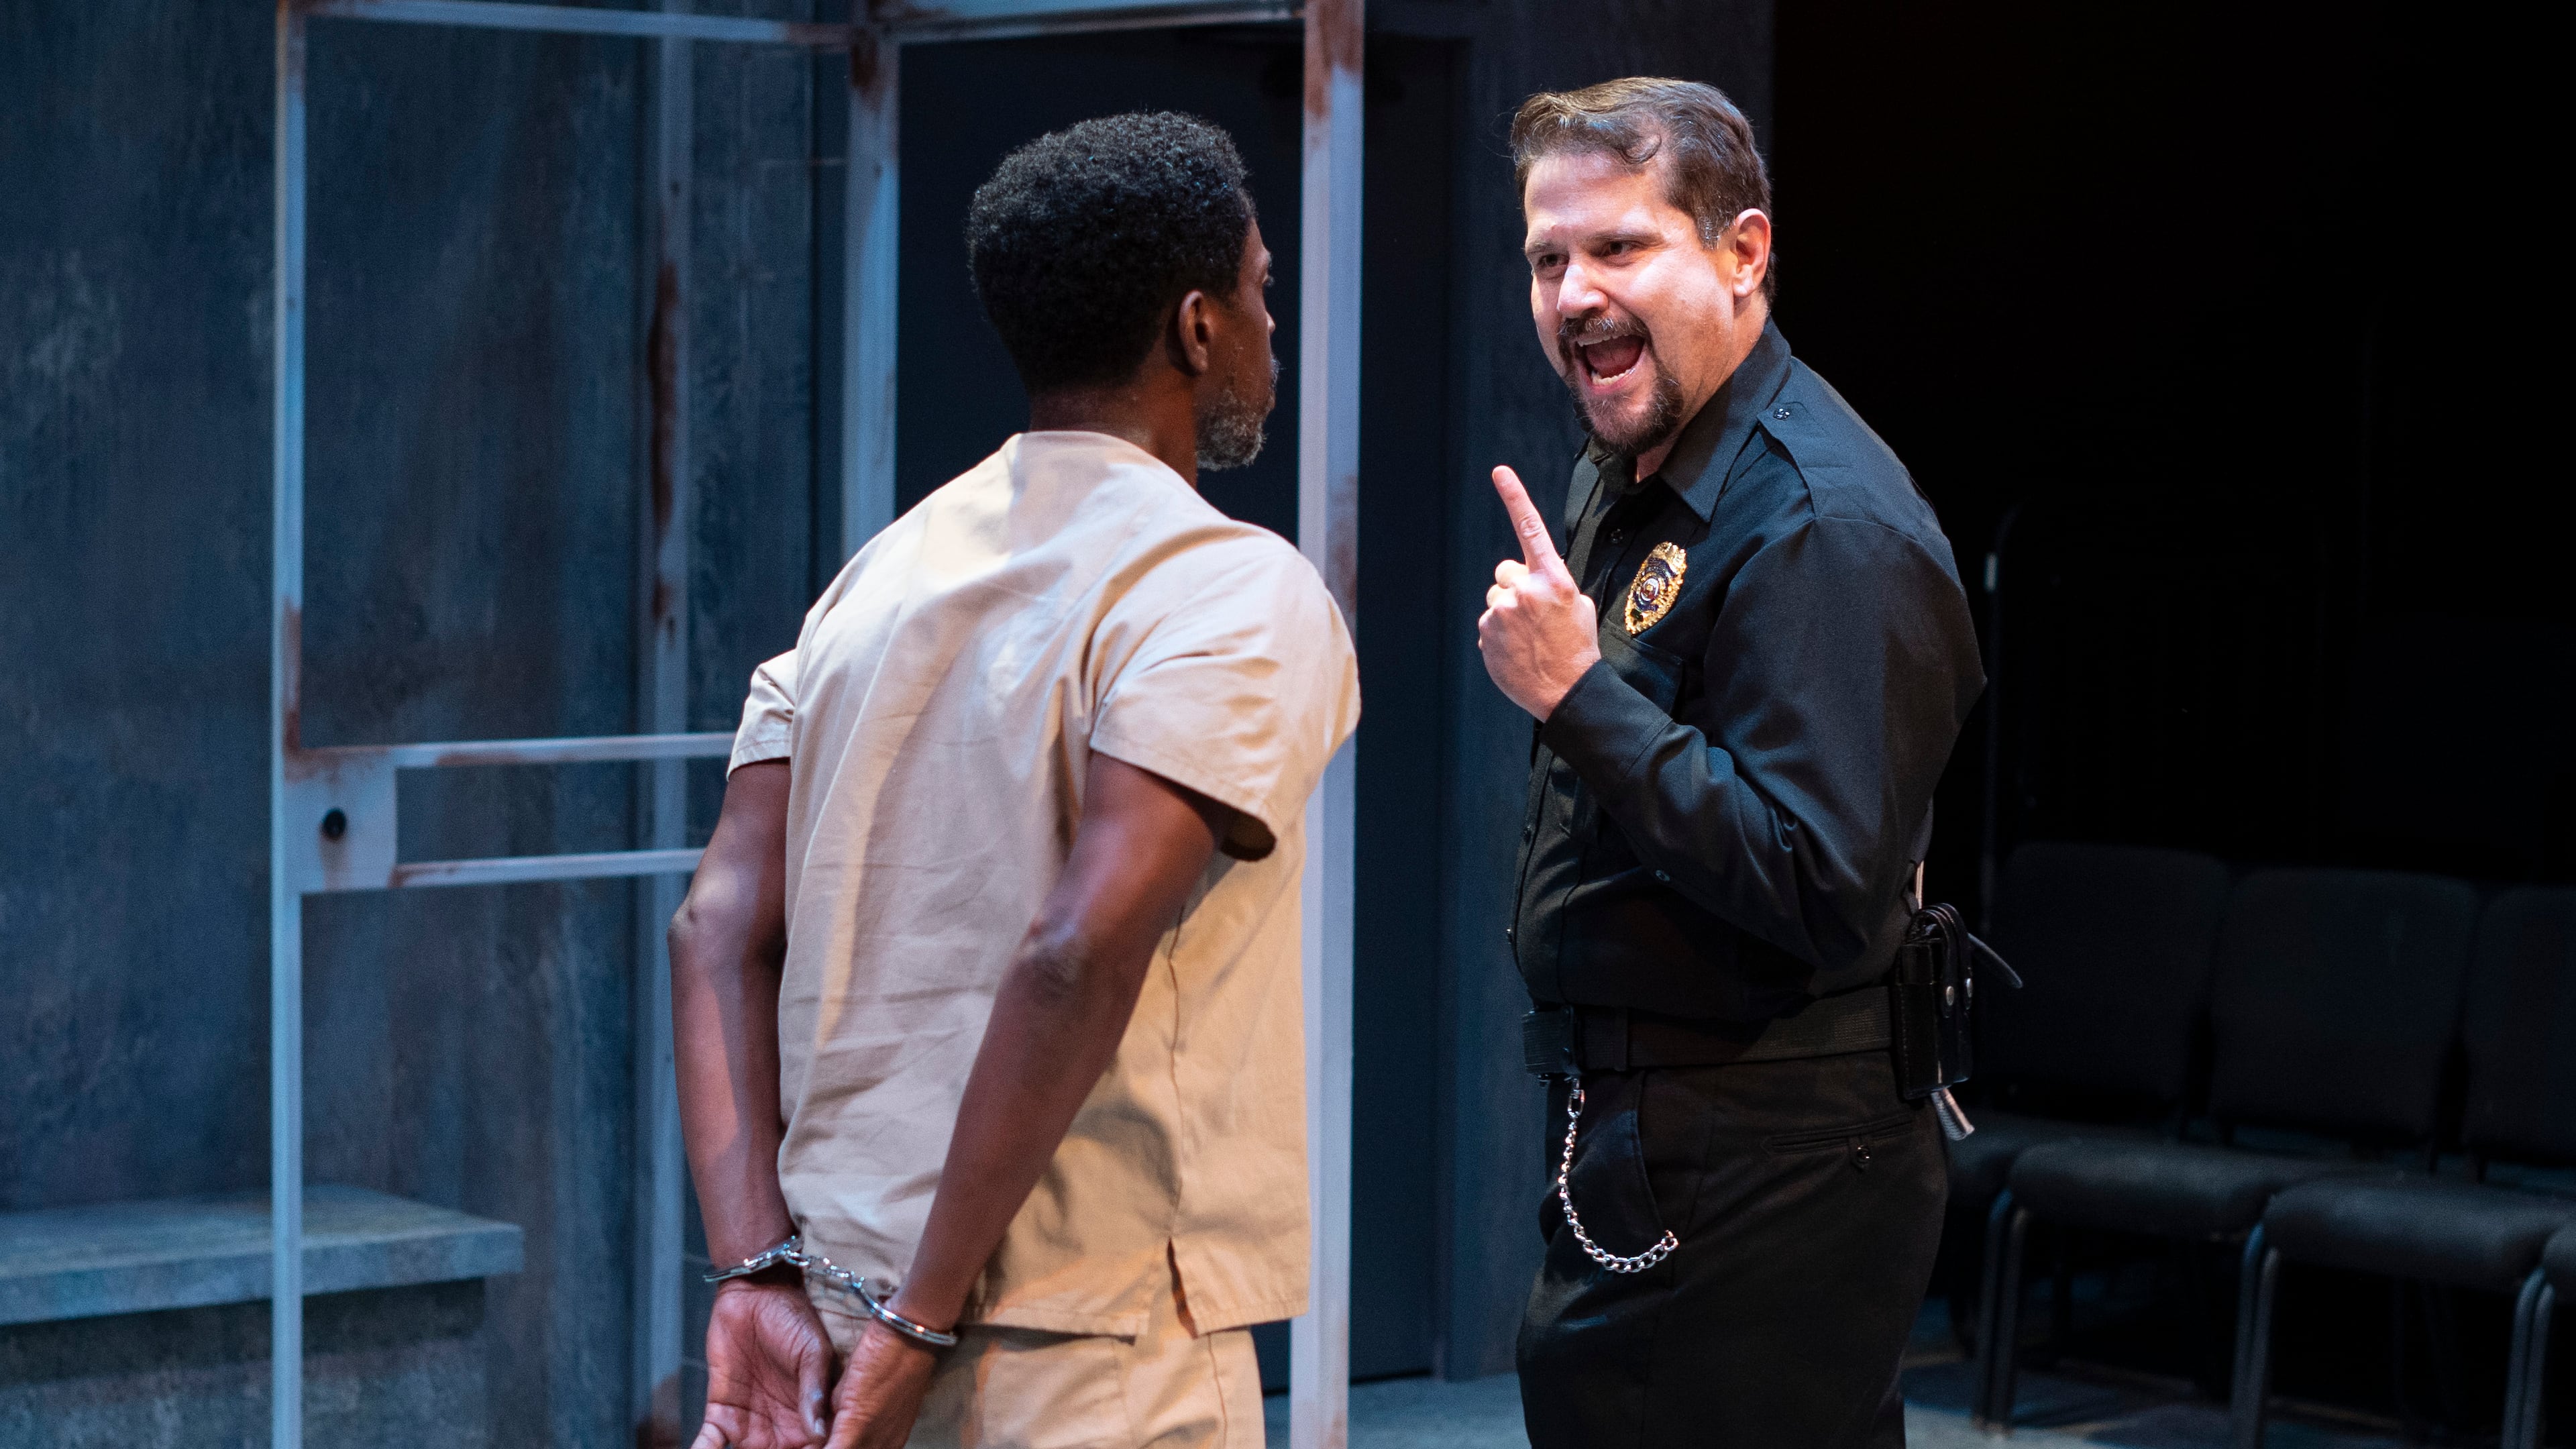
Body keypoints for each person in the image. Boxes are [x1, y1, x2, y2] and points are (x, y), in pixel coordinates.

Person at [668, 112, 1358, 1449]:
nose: (1275, 327)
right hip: (1086, 1352)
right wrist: (928, 1325)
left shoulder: (870, 585)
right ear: (1197, 326)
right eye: (1264, 291)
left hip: (831, 1326)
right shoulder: (1221, 583)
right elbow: (1075, 945)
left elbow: (713, 929)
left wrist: (755, 1274)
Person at [1477, 78, 1985, 1446]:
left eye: (1620, 247)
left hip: (1770, 1147)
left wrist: (1581, 694)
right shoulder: (1636, 460)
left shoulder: (1823, 520)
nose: (1574, 293)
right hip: (1667, 1131)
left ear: (1743, 254)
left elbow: (1820, 882)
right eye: (1547, 258)